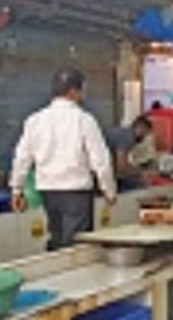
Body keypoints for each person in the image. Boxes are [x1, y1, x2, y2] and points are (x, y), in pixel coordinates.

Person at [10, 68, 115, 250]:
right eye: (82, 89)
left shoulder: (35, 120)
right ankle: (74, 277)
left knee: (57, 238)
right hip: (76, 192)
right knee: (77, 244)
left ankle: (55, 273)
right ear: (74, 91)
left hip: (48, 190)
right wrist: (109, 189)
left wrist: (17, 189)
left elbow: (22, 157)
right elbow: (100, 160)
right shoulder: (84, 120)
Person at [105, 115, 157, 191]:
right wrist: (140, 173)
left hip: (98, 168)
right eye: (146, 133)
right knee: (142, 186)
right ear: (141, 128)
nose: (145, 136)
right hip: (99, 173)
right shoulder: (129, 137)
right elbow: (121, 167)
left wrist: (136, 170)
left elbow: (120, 162)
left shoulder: (124, 132)